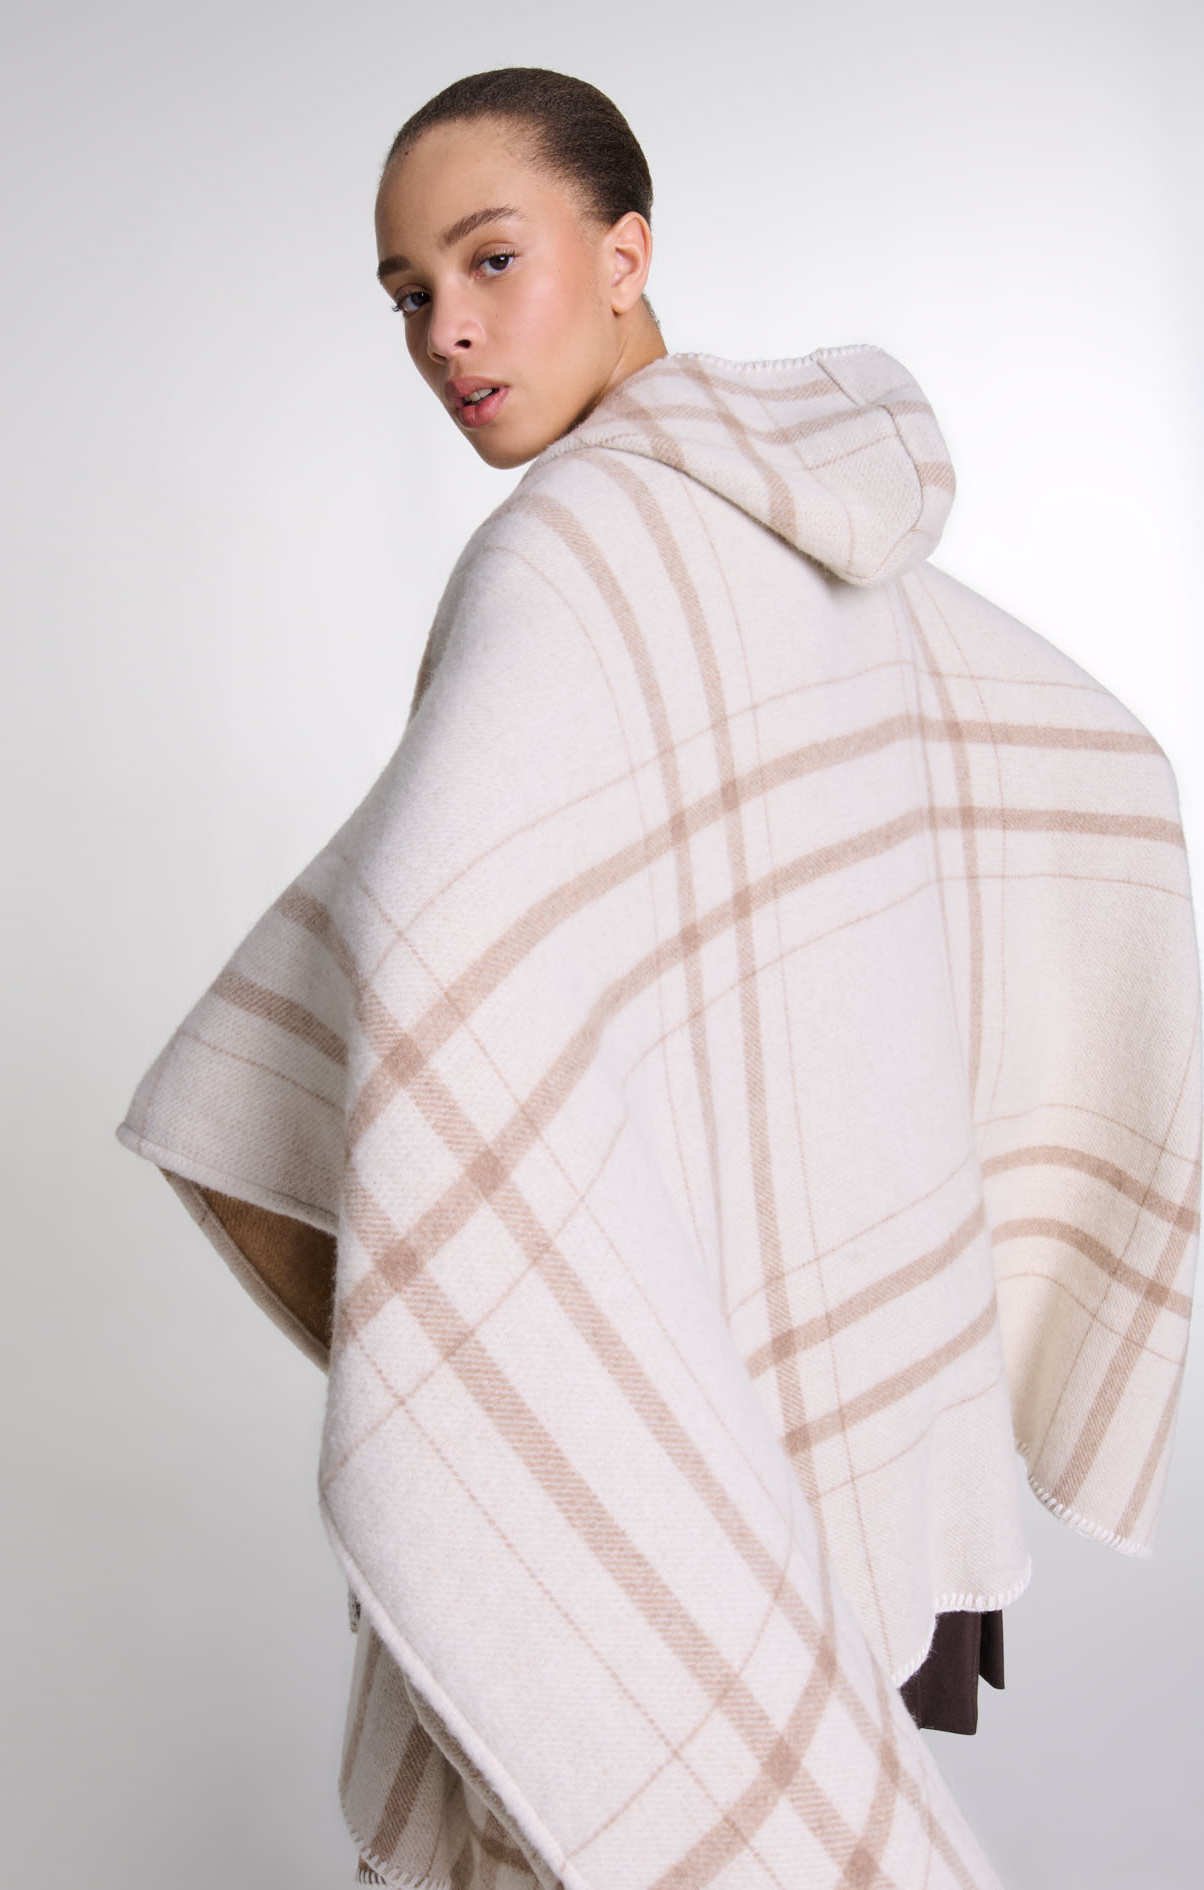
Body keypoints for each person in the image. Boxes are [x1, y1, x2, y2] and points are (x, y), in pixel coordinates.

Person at [117, 68, 1200, 1890]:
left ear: (625, 255)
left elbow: (443, 966)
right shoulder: (808, 518)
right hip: (886, 1430)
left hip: (709, 1440)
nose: (447, 332)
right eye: (407, 293)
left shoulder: (573, 551)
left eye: (491, 260)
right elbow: (1095, 767)